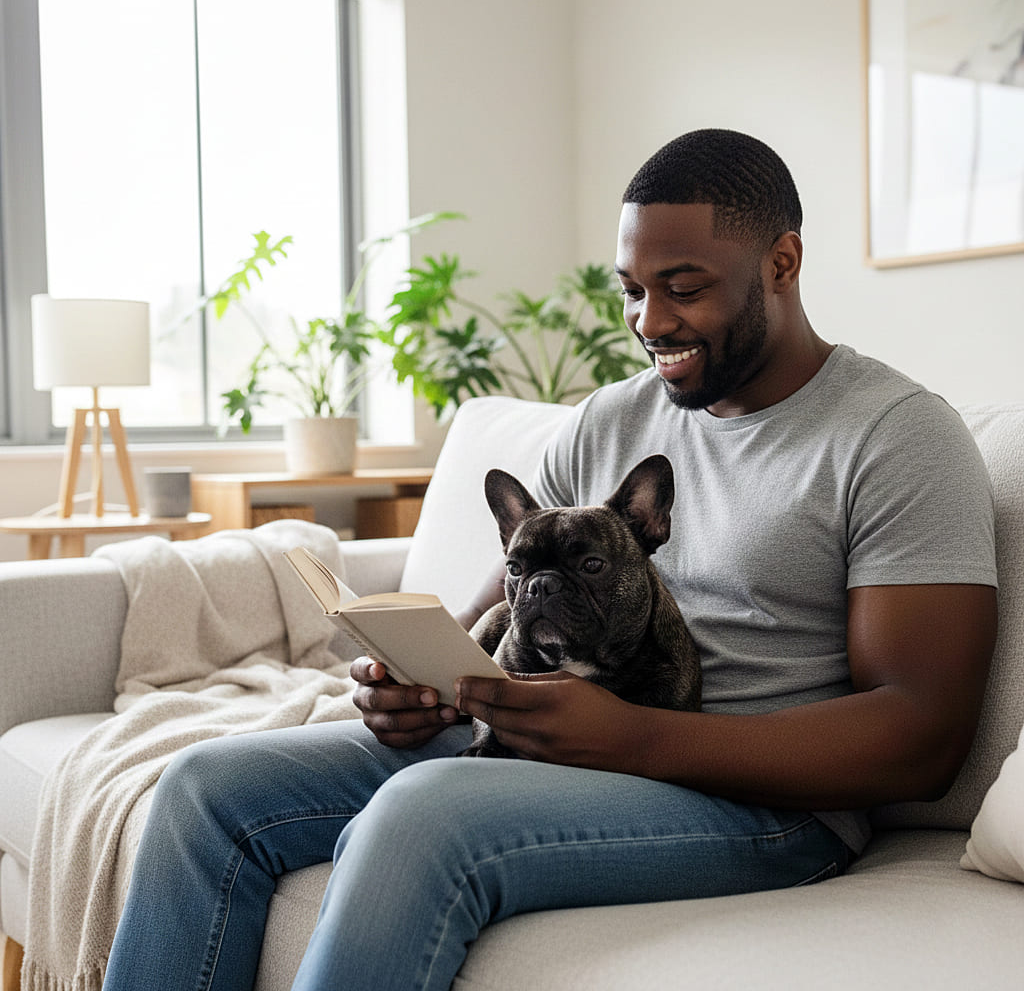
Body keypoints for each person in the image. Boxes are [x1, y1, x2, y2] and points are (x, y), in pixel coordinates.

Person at [102, 129, 997, 991]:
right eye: (631, 291)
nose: (650, 322)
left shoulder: (896, 436)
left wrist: (635, 738)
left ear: (782, 263)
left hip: (763, 805)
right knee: (202, 787)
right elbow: (489, 620)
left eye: (683, 288)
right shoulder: (611, 418)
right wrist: (417, 683)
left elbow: (923, 739)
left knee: (421, 817)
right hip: (547, 743)